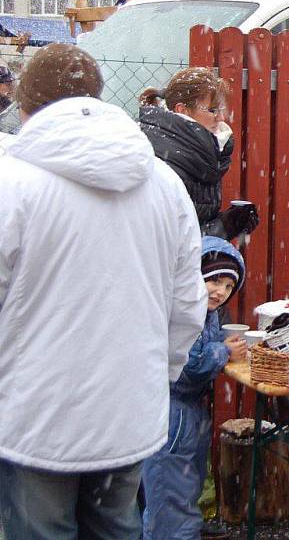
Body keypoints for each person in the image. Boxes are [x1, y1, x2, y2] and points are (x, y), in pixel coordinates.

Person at [0, 44, 208, 539]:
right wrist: (157, 375)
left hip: (34, 415)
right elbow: (187, 304)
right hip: (128, 410)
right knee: (116, 528)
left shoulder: (12, 184)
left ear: (26, 107)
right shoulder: (163, 183)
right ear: (97, 95)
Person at [142, 236, 247, 539]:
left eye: (229, 287)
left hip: (187, 415)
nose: (221, 292)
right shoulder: (180, 311)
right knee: (171, 502)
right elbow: (187, 366)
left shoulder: (205, 311)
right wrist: (224, 352)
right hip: (171, 415)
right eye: (214, 281)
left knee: (181, 490)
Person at [139, 68, 259, 240]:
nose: (220, 118)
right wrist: (223, 227)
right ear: (182, 110)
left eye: (220, 109)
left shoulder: (198, 151)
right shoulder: (163, 158)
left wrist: (230, 222)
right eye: (212, 110)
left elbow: (191, 224)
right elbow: (167, 242)